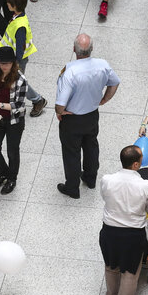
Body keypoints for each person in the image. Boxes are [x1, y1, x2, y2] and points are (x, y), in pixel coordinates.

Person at [56, 33, 120, 199]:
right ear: (91, 49)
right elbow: (114, 82)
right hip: (92, 115)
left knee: (71, 152)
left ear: (74, 50)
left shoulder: (70, 71)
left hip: (72, 119)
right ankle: (90, 179)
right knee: (91, 146)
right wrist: (105, 99)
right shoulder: (103, 65)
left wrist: (59, 112)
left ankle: (72, 187)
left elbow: (60, 103)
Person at [99, 146, 148, 295]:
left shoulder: (107, 179)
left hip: (109, 231)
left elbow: (104, 197)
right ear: (135, 164)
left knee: (111, 266)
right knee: (130, 273)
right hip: (133, 235)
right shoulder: (146, 185)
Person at [0, 46, 29, 195]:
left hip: (13, 120)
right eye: (2, 63)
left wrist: (0, 105)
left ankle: (12, 179)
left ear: (13, 63)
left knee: (12, 151)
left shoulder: (20, 80)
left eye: (7, 63)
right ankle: (4, 173)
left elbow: (20, 106)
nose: (4, 66)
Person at [0, 0, 48, 117]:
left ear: (14, 6)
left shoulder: (20, 26)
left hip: (18, 59)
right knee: (16, 81)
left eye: (8, 3)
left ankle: (38, 100)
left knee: (18, 82)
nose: (7, 4)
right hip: (12, 57)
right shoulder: (18, 16)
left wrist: (16, 64)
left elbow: (19, 48)